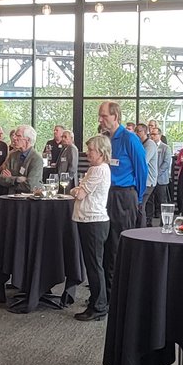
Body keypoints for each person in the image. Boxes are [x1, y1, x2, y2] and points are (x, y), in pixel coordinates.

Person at [98, 102, 147, 295]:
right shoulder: (103, 139)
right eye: (100, 116)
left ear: (115, 116)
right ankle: (105, 292)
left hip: (124, 196)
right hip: (105, 195)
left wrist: (139, 198)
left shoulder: (129, 138)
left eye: (104, 116)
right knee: (104, 242)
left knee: (118, 246)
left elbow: (142, 170)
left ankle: (118, 293)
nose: (100, 120)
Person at [69, 134, 111, 321]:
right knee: (93, 265)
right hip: (89, 219)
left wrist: (77, 189)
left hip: (93, 221)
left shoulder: (99, 170)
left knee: (94, 266)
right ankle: (96, 301)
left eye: (91, 150)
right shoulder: (96, 169)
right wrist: (77, 189)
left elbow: (79, 193)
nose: (87, 153)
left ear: (101, 152)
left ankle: (99, 307)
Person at [0, 125, 43, 195]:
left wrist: (10, 180)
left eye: (18, 136)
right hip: (11, 199)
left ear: (28, 139)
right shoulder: (12, 155)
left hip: (27, 202)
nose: (14, 138)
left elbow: (30, 186)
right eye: (14, 135)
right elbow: (1, 179)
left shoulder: (36, 159)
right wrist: (17, 179)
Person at [145, 123, 171, 225]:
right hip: (150, 179)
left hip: (161, 179)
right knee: (149, 201)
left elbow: (166, 163)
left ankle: (164, 222)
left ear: (160, 135)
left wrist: (157, 174)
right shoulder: (148, 146)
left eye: (154, 134)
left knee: (162, 201)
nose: (152, 136)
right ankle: (148, 221)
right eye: (151, 134)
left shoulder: (165, 148)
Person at [135, 124, 158, 217]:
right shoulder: (140, 144)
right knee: (139, 206)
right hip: (142, 180)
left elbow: (143, 161)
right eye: (135, 131)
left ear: (145, 132)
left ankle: (140, 228)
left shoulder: (150, 144)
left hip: (148, 181)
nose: (136, 133)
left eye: (139, 131)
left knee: (140, 206)